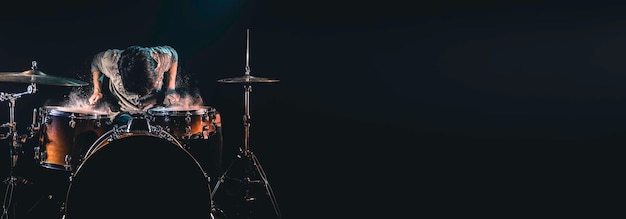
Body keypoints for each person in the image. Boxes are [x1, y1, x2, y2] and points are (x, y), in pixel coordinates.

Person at [88, 45, 181, 125]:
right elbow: (96, 62)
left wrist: (171, 88)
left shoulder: (161, 57)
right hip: (122, 111)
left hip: (154, 110)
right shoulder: (110, 60)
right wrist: (97, 91)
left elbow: (174, 56)